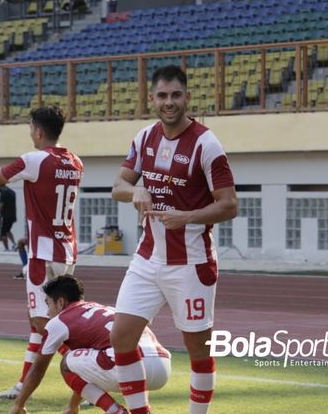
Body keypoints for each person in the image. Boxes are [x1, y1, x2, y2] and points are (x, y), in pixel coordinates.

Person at [109, 65, 238, 414]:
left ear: (187, 98)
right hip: (147, 258)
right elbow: (117, 186)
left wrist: (188, 217)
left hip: (191, 264)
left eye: (176, 95)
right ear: (152, 99)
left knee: (198, 350)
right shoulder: (144, 138)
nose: (169, 102)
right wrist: (135, 190)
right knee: (120, 336)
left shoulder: (206, 144)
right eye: (162, 96)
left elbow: (229, 205)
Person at [0, 105, 84, 400]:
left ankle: (90, 368)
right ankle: (22, 383)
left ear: (39, 131)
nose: (30, 133)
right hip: (66, 250)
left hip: (42, 254)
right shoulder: (75, 161)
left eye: (31, 128)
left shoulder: (35, 159)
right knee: (41, 322)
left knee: (45, 323)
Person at [7, 276, 171, 414]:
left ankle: (115, 411)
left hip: (129, 365)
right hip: (162, 364)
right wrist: (73, 405)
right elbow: (86, 371)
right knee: (89, 358)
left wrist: (19, 404)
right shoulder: (103, 308)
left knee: (67, 362)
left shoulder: (59, 322)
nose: (48, 312)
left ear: (61, 302)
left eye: (48, 303)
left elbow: (38, 370)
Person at [0, 184, 17, 251]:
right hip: (12, 214)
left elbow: (1, 205)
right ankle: (14, 244)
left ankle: (6, 249)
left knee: (3, 233)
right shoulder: (12, 192)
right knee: (7, 230)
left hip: (5, 215)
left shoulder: (3, 192)